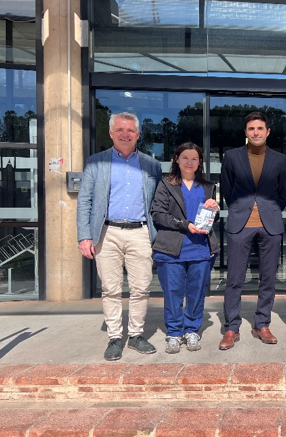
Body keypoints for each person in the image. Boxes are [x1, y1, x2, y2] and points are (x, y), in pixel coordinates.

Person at [77, 112, 162, 361]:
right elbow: (84, 201)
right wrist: (85, 236)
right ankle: (115, 337)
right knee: (110, 289)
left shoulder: (151, 165)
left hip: (140, 232)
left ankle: (136, 335)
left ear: (138, 134)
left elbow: (158, 201)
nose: (125, 134)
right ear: (111, 133)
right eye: (120, 129)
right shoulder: (96, 162)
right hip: (107, 232)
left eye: (131, 130)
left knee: (141, 287)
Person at [218, 112, 286, 350]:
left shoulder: (280, 159)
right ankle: (231, 327)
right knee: (235, 278)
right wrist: (242, 208)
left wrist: (268, 210)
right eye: (251, 129)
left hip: (270, 225)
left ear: (267, 132)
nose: (256, 132)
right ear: (246, 132)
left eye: (260, 128)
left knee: (268, 278)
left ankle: (262, 324)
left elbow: (283, 192)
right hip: (241, 224)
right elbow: (228, 190)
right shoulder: (231, 156)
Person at [151, 143, 220, 354]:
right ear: (177, 160)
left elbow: (209, 218)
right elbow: (158, 214)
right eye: (185, 158)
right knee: (173, 292)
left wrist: (215, 210)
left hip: (200, 248)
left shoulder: (208, 186)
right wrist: (183, 224)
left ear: (199, 162)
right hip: (172, 249)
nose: (189, 162)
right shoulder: (166, 184)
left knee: (196, 292)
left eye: (194, 159)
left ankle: (191, 330)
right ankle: (173, 332)